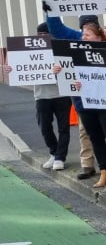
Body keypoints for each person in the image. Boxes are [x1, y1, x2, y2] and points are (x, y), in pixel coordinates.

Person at [45, 9, 106, 187]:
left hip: (105, 101)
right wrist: (50, 8)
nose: (84, 36)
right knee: (95, 138)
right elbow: (56, 28)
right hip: (83, 101)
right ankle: (105, 170)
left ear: (98, 36)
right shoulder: (75, 40)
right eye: (82, 32)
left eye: (88, 33)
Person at [23, 23, 73, 171]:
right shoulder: (29, 51)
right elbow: (23, 69)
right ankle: (53, 152)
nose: (44, 37)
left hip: (61, 93)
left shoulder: (61, 49)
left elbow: (71, 69)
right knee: (45, 127)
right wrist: (11, 69)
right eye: (41, 34)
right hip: (41, 95)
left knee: (64, 128)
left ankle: (60, 157)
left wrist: (60, 69)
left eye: (47, 33)